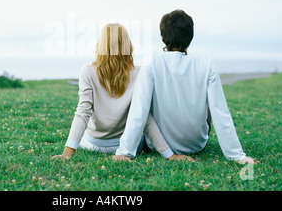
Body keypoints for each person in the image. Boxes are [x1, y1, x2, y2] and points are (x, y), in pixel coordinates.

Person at [113, 10, 255, 164]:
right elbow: (220, 112)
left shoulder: (151, 64)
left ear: (162, 38)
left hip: (158, 147)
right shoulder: (206, 63)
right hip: (196, 144)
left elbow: (138, 111)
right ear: (190, 38)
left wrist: (124, 152)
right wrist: (237, 156)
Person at [52, 23, 193, 162]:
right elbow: (145, 118)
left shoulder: (87, 70)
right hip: (128, 146)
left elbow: (83, 113)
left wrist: (67, 153)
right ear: (128, 45)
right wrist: (170, 155)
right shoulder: (140, 73)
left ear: (100, 45)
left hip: (94, 145)